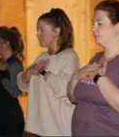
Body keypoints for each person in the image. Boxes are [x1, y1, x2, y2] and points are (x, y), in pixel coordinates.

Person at [67, 0, 119, 136]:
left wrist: (99, 77)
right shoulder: (95, 59)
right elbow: (73, 97)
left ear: (117, 27)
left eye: (99, 23)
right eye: (92, 23)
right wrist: (76, 76)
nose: (93, 28)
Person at [17, 8, 80, 136]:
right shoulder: (41, 57)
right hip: (34, 128)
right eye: (37, 30)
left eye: (41, 30)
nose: (37, 34)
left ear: (57, 31)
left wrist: (43, 72)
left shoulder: (69, 57)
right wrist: (28, 73)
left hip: (57, 130)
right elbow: (23, 85)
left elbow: (64, 89)